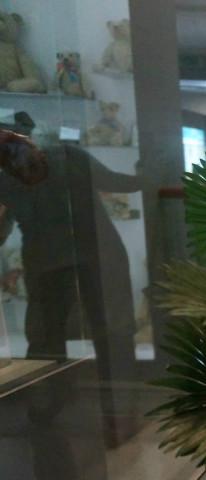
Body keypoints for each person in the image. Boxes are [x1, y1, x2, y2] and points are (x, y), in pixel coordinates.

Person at [0, 112, 140, 406]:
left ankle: (51, 406)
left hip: (65, 260)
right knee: (105, 333)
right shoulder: (67, 157)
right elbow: (116, 181)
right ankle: (112, 405)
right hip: (86, 256)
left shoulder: (16, 175)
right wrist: (153, 177)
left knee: (51, 338)